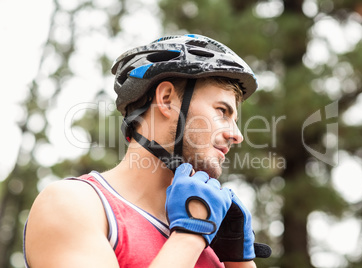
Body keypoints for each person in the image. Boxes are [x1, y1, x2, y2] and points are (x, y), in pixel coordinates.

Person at [23, 34, 271, 267]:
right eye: (222, 111)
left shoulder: (209, 241)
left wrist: (239, 261)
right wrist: (189, 235)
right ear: (165, 99)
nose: (236, 135)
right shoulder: (74, 204)